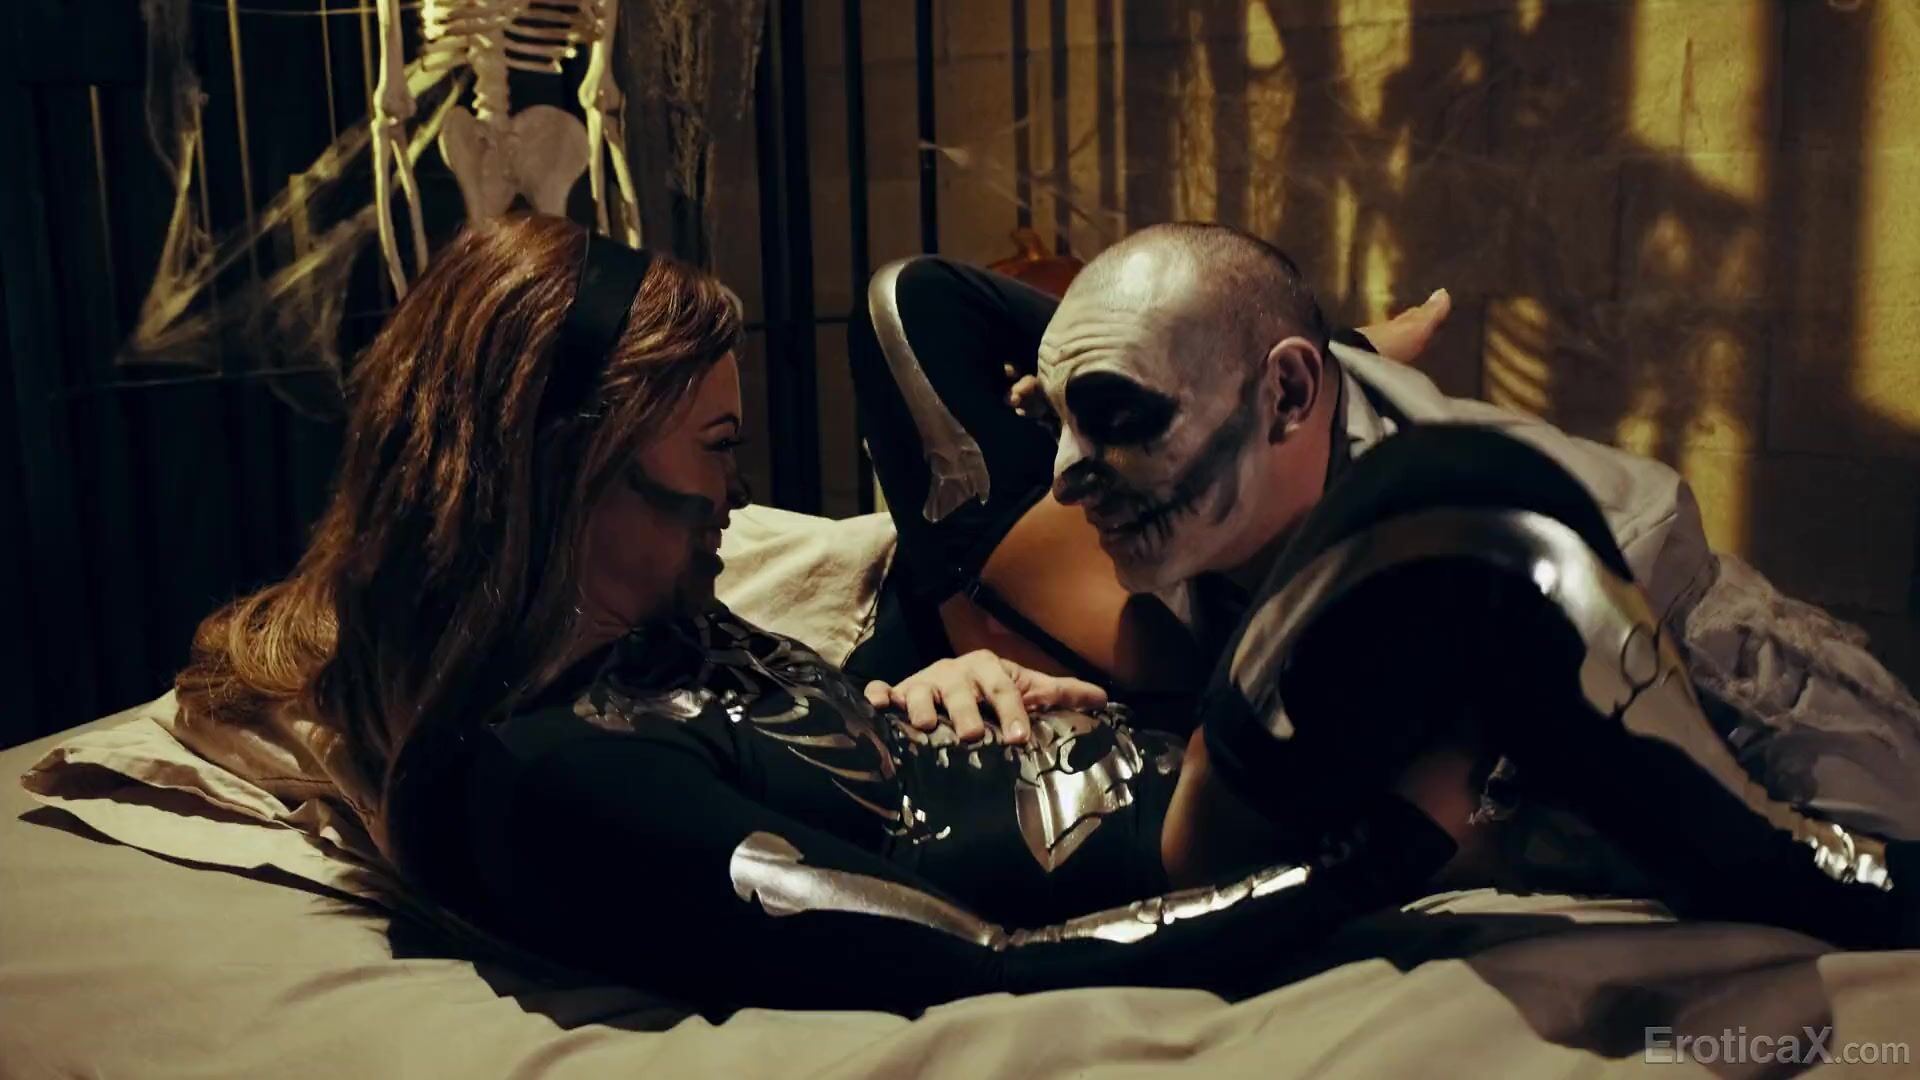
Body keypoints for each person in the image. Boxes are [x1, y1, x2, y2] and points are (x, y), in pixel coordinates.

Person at [172, 213, 1497, 1018]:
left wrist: (917, 696)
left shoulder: (655, 628)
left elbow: (841, 763)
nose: (736, 501)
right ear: (568, 465)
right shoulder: (549, 777)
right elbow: (983, 964)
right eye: (717, 452)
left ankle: (1320, 378)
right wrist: (1380, 855)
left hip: (1158, 744)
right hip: (1240, 816)